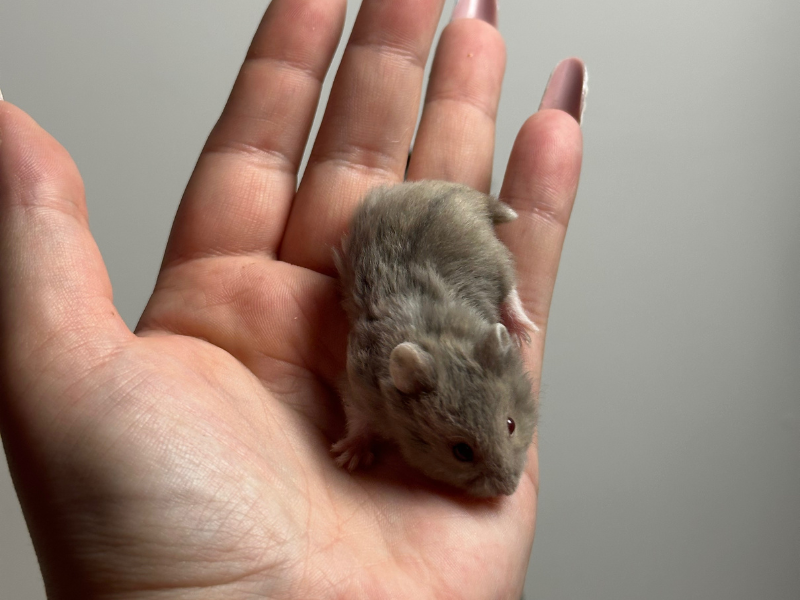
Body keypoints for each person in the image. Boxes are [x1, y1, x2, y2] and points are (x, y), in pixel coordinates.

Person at [0, 0, 584, 597]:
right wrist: (362, 432)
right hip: (403, 248)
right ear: (406, 388)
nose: (504, 479)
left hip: (426, 248)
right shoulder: (395, 374)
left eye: (510, 427)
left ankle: (497, 275)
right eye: (462, 451)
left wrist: (503, 302)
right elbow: (365, 386)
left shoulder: (476, 351)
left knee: (486, 266)